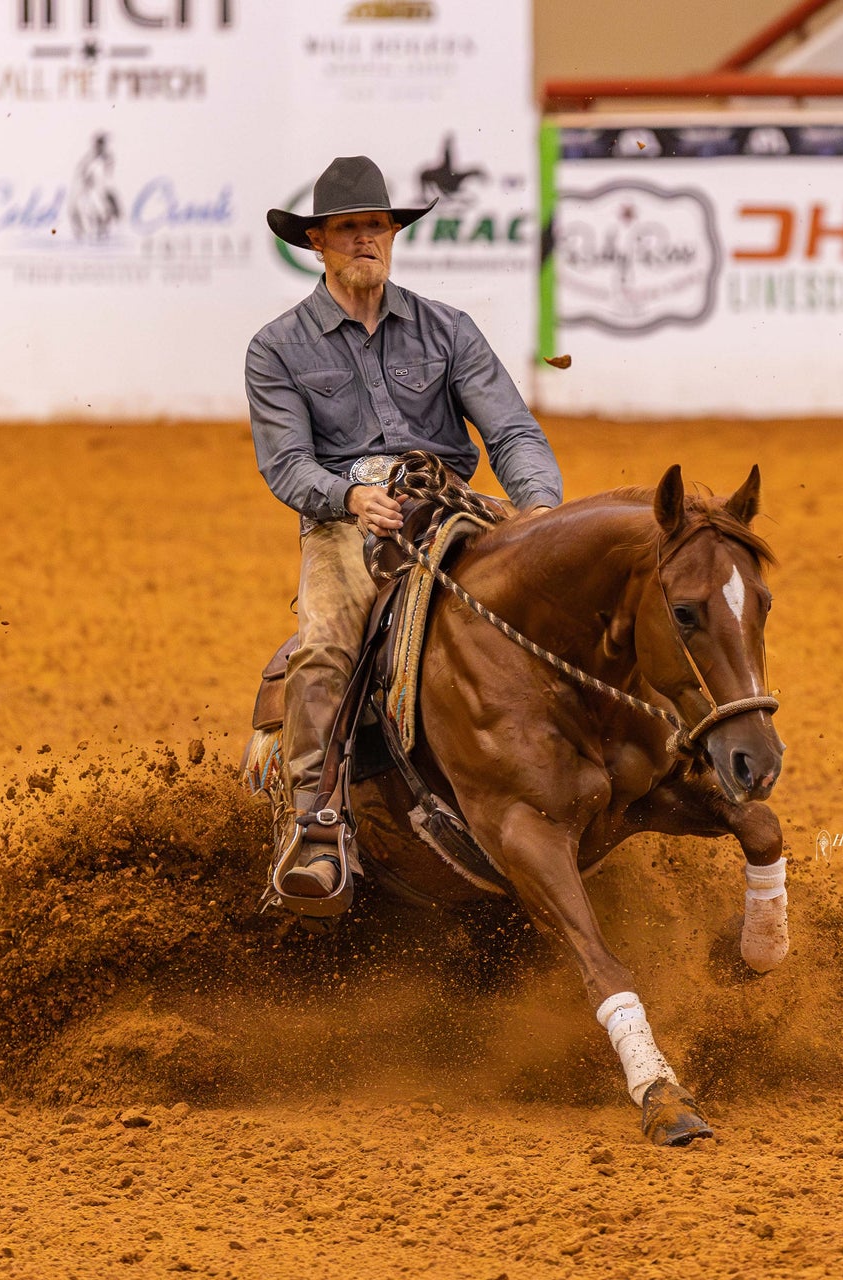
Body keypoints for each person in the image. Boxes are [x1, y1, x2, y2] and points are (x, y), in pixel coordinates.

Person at [246, 155, 564, 899]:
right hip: (345, 523)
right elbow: (287, 465)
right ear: (317, 242)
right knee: (327, 644)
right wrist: (350, 497)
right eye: (349, 228)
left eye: (379, 226)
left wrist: (541, 513)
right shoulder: (278, 348)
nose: (367, 239)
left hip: (451, 507)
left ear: (394, 234)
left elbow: (512, 432)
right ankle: (317, 831)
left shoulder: (448, 329)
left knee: (556, 602)